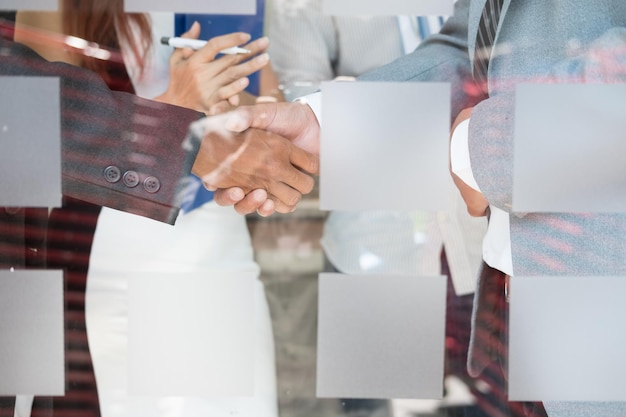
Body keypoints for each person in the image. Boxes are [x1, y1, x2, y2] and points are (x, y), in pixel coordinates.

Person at [219, 1, 626, 415]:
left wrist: (477, 149)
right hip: (385, 250)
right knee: (375, 403)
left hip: (555, 264)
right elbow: (472, 51)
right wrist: (329, 122)